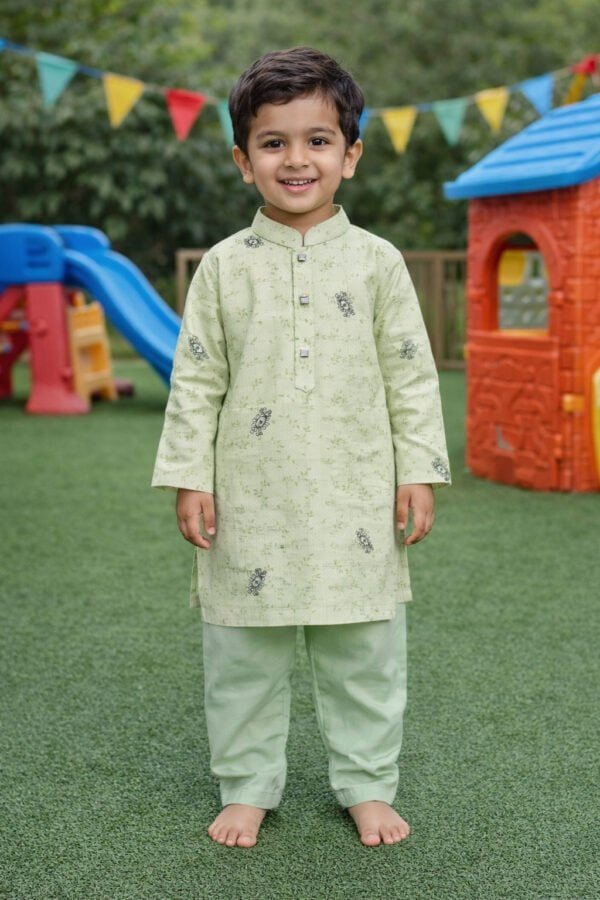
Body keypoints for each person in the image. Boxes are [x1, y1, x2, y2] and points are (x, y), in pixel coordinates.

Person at [152, 46, 451, 849]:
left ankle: (366, 784)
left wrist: (419, 468)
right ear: (243, 159)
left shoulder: (380, 263)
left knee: (364, 649)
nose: (296, 159)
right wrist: (189, 477)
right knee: (243, 651)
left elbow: (412, 377)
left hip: (357, 494)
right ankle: (247, 784)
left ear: (350, 155)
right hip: (250, 496)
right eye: (274, 142)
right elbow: (196, 381)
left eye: (318, 140)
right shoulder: (222, 269)